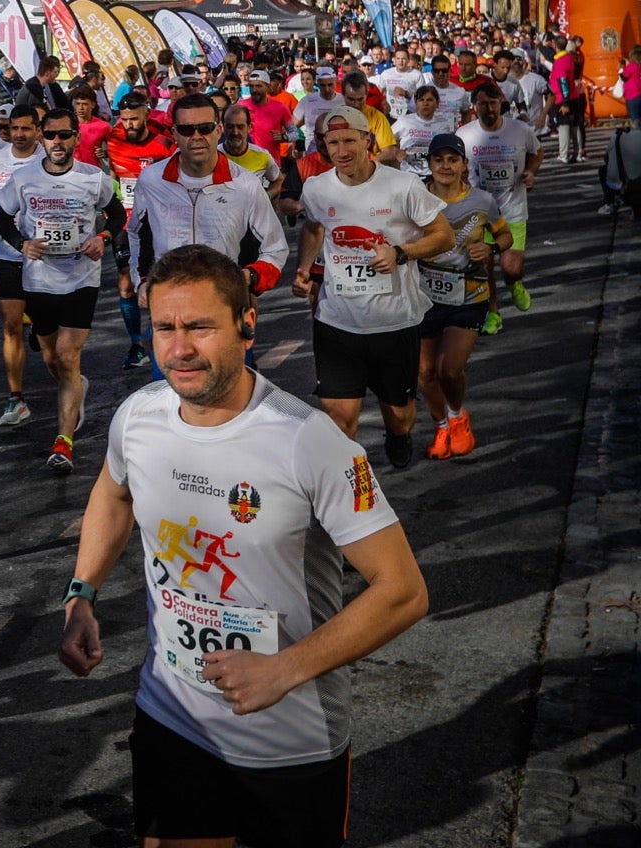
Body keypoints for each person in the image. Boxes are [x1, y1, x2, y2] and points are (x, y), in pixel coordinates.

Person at [58, 245, 427, 848]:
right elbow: (114, 494)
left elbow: (403, 592)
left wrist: (284, 668)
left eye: (200, 327)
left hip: (290, 739)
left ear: (247, 325)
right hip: (171, 715)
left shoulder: (312, 443)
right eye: (165, 328)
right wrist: (82, 595)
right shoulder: (138, 416)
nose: (179, 349)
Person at [293, 108, 456, 469]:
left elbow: (444, 236)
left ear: (368, 140)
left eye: (349, 140)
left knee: (399, 415)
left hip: (394, 322)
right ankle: (347, 489)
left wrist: (400, 253)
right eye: (332, 142)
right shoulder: (316, 187)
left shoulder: (402, 186)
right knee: (338, 421)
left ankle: (397, 435)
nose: (341, 150)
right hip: (337, 321)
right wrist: (304, 268)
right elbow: (314, 227)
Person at [0, 110, 124, 474]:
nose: (57, 142)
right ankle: (75, 386)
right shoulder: (24, 179)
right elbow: (1, 217)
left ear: (75, 139)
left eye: (64, 135)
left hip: (82, 277)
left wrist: (103, 238)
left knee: (67, 356)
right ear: (41, 138)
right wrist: (22, 244)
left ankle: (63, 443)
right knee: (52, 358)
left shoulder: (92, 178)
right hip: (39, 280)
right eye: (50, 135)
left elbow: (116, 215)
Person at [129, 94, 288, 328]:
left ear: (218, 129)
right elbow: (137, 235)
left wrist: (248, 277)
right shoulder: (151, 180)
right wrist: (141, 282)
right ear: (173, 134)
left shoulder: (244, 184)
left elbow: (275, 248)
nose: (196, 137)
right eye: (186, 130)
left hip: (224, 308)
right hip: (169, 309)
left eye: (205, 128)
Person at [416, 135, 510, 460]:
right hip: (424, 296)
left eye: (452, 159)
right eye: (438, 160)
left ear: (464, 165)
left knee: (449, 369)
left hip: (470, 294)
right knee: (425, 373)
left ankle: (458, 417)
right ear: (429, 165)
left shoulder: (482, 201)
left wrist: (491, 248)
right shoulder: (414, 199)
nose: (445, 166)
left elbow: (505, 234)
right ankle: (442, 426)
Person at [457, 80, 542, 328]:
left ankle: (514, 282)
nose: (489, 109)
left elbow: (537, 152)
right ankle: (492, 313)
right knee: (484, 266)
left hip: (512, 210)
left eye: (493, 103)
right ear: (475, 107)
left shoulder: (520, 129)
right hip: (479, 214)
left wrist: (530, 172)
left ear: (501, 104)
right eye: (483, 104)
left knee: (511, 268)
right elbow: (456, 164)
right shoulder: (464, 134)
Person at [0, 106, 45, 427]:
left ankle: (70, 383)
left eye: (25, 128)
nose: (19, 134)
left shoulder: (48, 158)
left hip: (45, 256)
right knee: (10, 326)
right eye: (14, 128)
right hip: (8, 253)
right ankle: (16, 398)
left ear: (37, 130)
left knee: (49, 337)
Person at [106, 91, 175, 370]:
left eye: (134, 119)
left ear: (147, 114)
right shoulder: (112, 139)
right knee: (125, 281)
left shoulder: (164, 141)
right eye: (124, 120)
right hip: (125, 220)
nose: (129, 125)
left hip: (158, 219)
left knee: (160, 280)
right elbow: (108, 170)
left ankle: (164, 332)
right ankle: (136, 345)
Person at [220, 104, 282, 197]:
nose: (235, 132)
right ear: (222, 127)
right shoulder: (213, 155)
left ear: (249, 128)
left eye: (240, 127)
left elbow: (278, 180)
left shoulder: (262, 155)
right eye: (230, 127)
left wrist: (266, 196)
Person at [340, 71, 399, 166]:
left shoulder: (377, 117)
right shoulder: (336, 118)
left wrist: (365, 162)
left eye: (360, 99)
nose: (356, 104)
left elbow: (390, 152)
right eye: (351, 99)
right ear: (343, 94)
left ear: (366, 94)